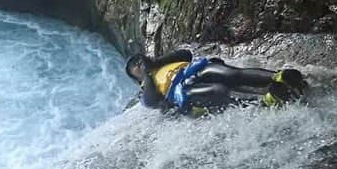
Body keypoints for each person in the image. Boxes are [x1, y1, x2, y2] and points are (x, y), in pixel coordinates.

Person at [125, 48, 307, 114]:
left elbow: (186, 54)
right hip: (183, 93)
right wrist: (147, 74)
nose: (137, 64)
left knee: (232, 74)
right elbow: (151, 100)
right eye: (134, 67)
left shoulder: (162, 62)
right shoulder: (145, 90)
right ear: (135, 77)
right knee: (221, 91)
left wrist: (156, 62)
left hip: (195, 70)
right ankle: (266, 100)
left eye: (137, 60)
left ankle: (278, 77)